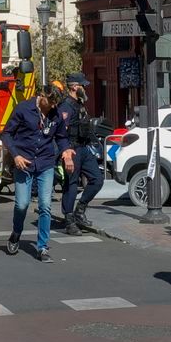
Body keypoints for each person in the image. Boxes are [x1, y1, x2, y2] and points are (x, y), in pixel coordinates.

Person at [3, 90, 65, 260]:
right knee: (22, 204)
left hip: (45, 163)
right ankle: (16, 233)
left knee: (45, 205)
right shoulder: (23, 108)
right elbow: (7, 133)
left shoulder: (56, 114)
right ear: (42, 95)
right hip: (24, 162)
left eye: (56, 104)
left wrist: (67, 150)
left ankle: (42, 247)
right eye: (51, 102)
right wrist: (15, 155)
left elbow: (61, 137)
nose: (53, 107)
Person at [55, 75, 105, 234]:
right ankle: (69, 220)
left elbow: (85, 126)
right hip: (71, 149)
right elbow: (60, 132)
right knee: (71, 184)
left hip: (84, 148)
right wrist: (66, 154)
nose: (86, 88)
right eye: (83, 85)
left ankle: (80, 210)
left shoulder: (79, 104)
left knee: (97, 180)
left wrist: (95, 142)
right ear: (74, 87)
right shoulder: (65, 107)